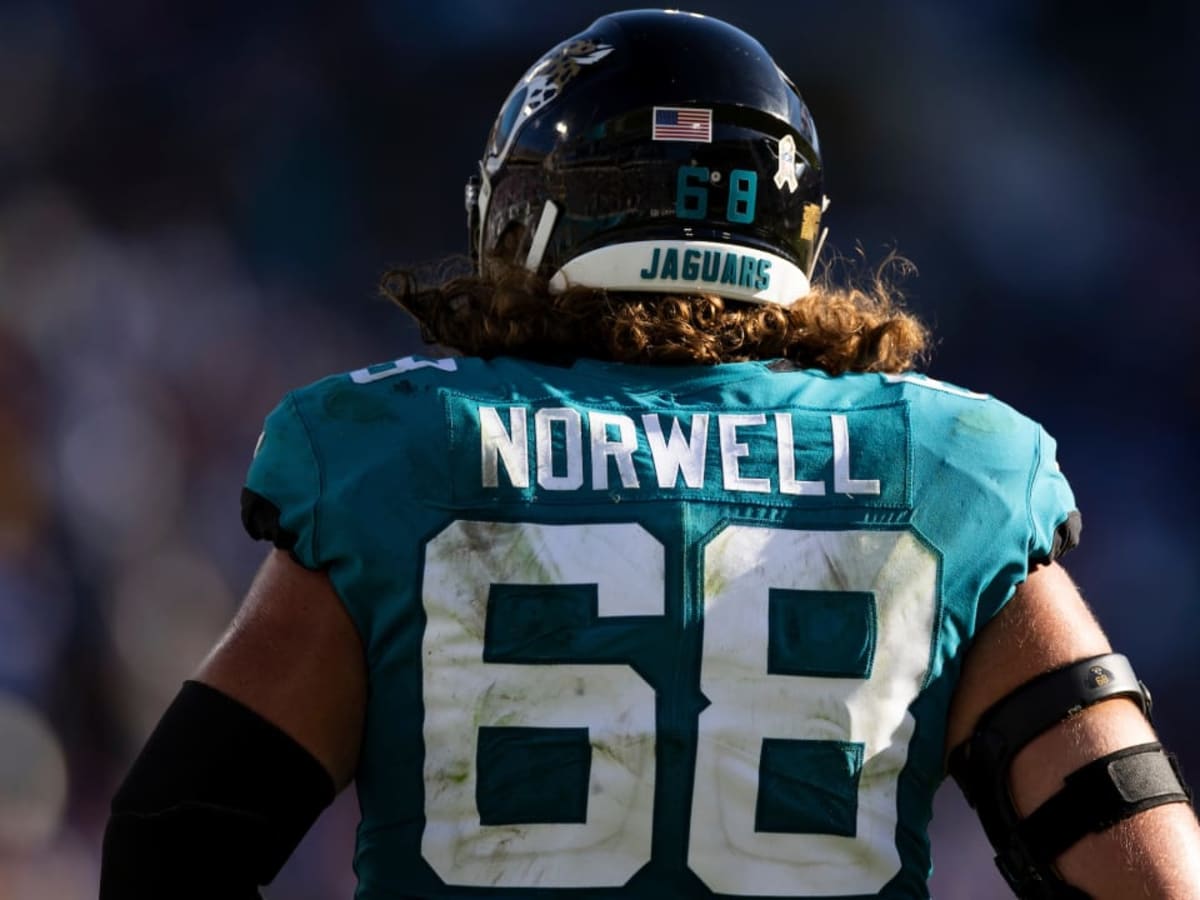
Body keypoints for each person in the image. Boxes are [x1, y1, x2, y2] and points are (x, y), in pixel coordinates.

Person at [100, 9, 1200, 899]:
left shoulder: (401, 446)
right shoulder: (951, 463)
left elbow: (173, 839)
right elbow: (1147, 870)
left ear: (530, 214)